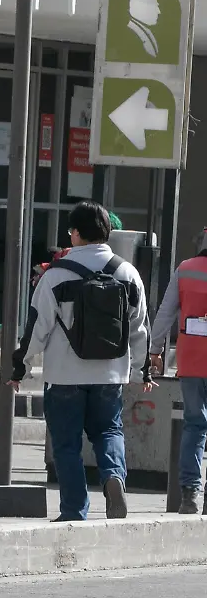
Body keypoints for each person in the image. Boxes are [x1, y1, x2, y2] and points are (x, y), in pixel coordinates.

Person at [11, 201, 153, 522]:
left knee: (66, 444)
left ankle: (74, 510)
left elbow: (38, 328)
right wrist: (142, 369)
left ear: (75, 234)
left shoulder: (56, 275)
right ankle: (113, 477)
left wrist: (21, 366)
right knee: (108, 432)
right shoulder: (127, 273)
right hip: (110, 374)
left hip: (64, 376)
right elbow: (140, 327)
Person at [148, 229, 207, 514]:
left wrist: (155, 350)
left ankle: (189, 495)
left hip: (192, 360)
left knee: (195, 425)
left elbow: (165, 313)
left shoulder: (185, 270)